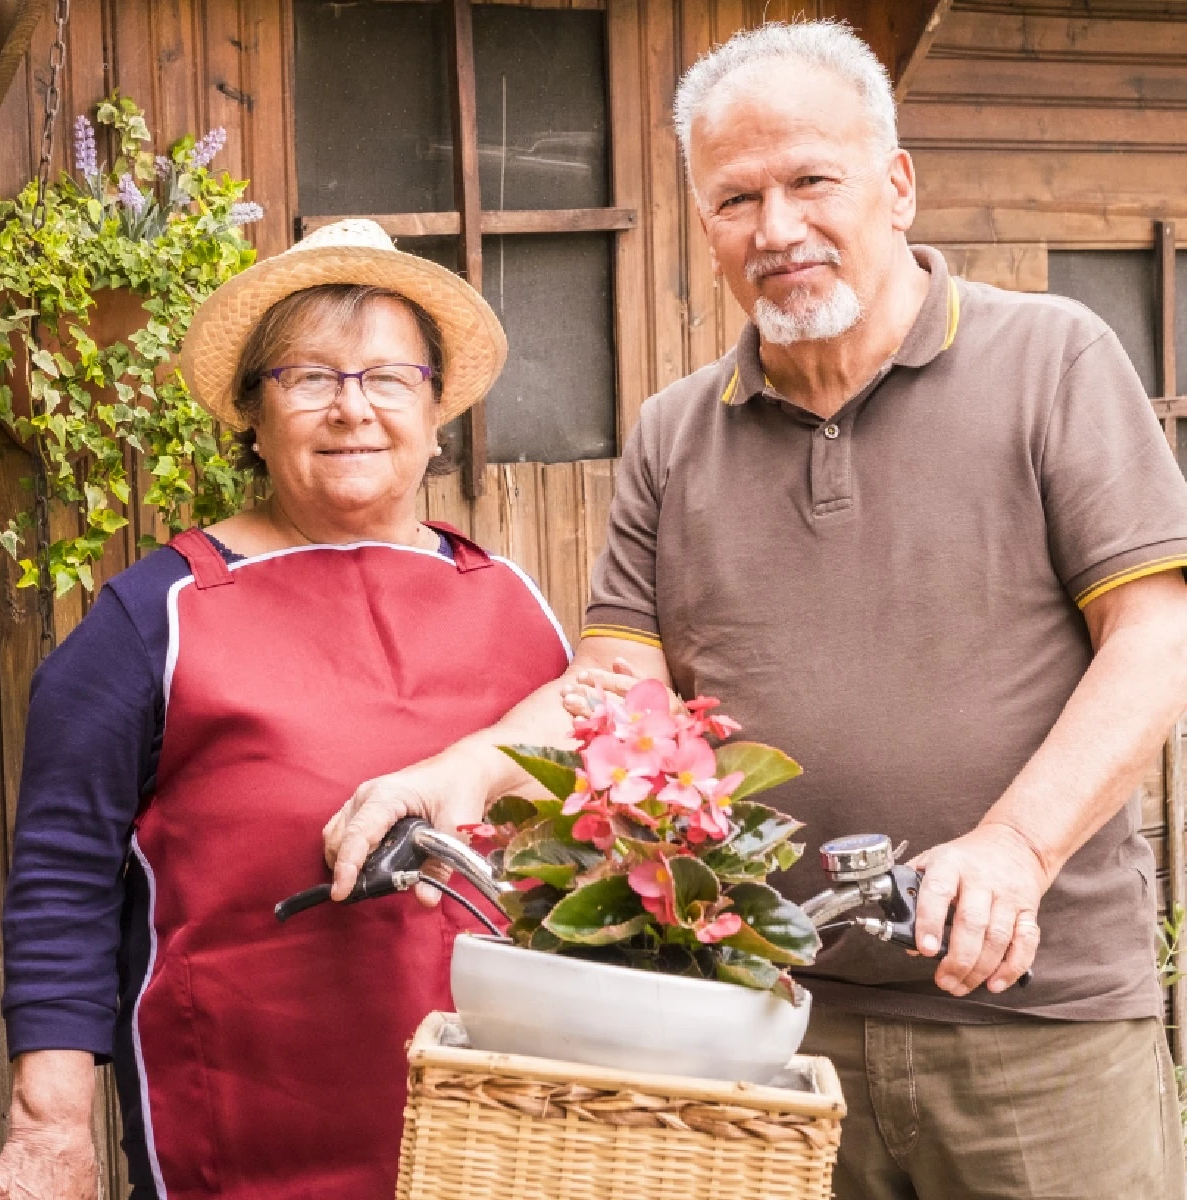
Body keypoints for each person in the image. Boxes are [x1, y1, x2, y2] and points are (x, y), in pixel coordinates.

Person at [322, 22, 1187, 1200]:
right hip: (762, 1034)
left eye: (810, 182)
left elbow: (1156, 633)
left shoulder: (1053, 359)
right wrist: (456, 777)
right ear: (706, 224)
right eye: (737, 199)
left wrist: (1017, 847)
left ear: (896, 185)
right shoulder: (675, 432)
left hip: (1036, 1024)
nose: (777, 230)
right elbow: (620, 695)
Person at [0, 219, 571, 1200]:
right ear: (252, 419)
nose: (353, 409)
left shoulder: (515, 605)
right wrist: (47, 1123)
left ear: (437, 417)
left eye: (389, 378)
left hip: (502, 1135)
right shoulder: (152, 616)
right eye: (309, 378)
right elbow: (61, 872)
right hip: (242, 1132)